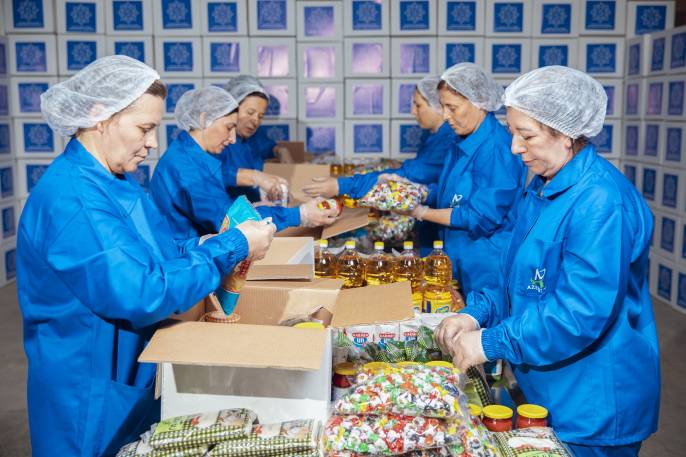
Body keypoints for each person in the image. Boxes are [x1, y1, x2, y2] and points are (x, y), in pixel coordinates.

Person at [16, 56, 276, 456]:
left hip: (125, 371)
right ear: (100, 116)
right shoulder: (74, 199)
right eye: (144, 128)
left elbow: (159, 250)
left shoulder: (115, 182)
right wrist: (233, 247)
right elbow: (141, 290)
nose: (153, 143)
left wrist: (208, 244)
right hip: (86, 388)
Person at [435, 66, 660, 456]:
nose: (515, 148)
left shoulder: (601, 201)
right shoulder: (542, 186)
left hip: (593, 403)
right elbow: (517, 278)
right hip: (550, 388)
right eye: (512, 133)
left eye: (527, 136)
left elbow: (579, 313)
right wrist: (474, 314)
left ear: (566, 134)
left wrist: (490, 341)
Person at [150, 86, 338, 240]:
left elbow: (218, 207)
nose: (233, 139)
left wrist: (254, 207)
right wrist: (301, 215)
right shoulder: (187, 168)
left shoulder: (188, 154)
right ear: (203, 119)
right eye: (229, 127)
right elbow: (232, 221)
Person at [405, 63, 526, 295]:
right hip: (460, 257)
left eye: (452, 107)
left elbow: (480, 217)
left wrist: (421, 212)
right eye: (443, 107)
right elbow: (451, 192)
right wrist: (416, 192)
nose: (445, 116)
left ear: (479, 102)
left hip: (486, 266)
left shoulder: (496, 148)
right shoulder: (462, 138)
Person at [301, 75, 458, 254]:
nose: (412, 112)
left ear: (438, 106)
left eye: (418, 105)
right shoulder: (434, 136)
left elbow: (409, 174)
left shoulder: (446, 140)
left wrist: (342, 185)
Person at [221, 75, 294, 202]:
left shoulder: (253, 136)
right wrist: (254, 177)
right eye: (250, 112)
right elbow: (210, 173)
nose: (255, 121)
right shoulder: (217, 139)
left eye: (260, 116)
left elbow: (267, 146)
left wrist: (281, 150)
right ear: (231, 108)